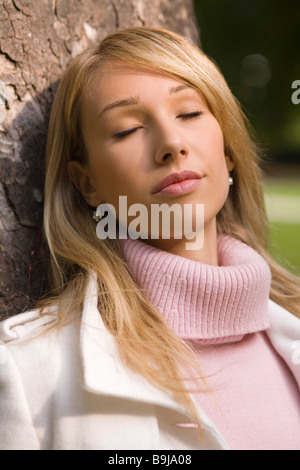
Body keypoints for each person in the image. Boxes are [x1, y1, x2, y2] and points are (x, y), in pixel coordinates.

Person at [0, 26, 299, 451]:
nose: (172, 144)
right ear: (86, 184)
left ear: (228, 150)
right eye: (126, 130)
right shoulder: (28, 374)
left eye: (190, 113)